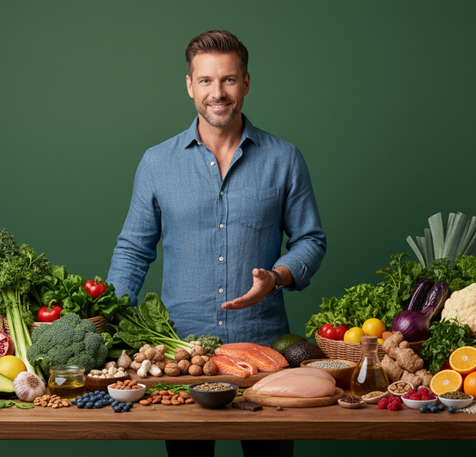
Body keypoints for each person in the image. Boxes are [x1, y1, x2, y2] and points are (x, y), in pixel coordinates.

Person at [106, 30, 327, 457]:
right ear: (190, 86)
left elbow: (311, 240)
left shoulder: (284, 159)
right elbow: (133, 250)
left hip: (264, 357)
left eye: (228, 80)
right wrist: (110, 320)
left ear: (246, 83)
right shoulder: (157, 162)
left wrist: (278, 276)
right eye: (206, 80)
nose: (217, 92)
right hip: (183, 358)